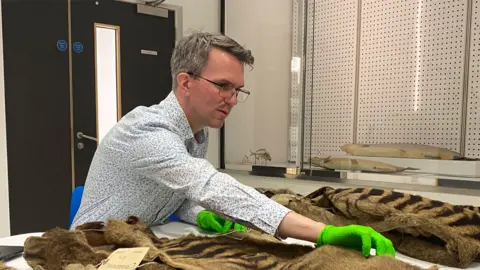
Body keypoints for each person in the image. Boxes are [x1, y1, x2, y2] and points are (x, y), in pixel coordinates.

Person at [71, 31, 395, 258]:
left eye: (237, 89)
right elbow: (207, 184)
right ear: (185, 82)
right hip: (91, 250)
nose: (232, 100)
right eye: (223, 86)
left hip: (139, 243)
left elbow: (176, 195)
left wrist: (201, 216)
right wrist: (321, 232)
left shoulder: (197, 133)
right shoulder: (147, 130)